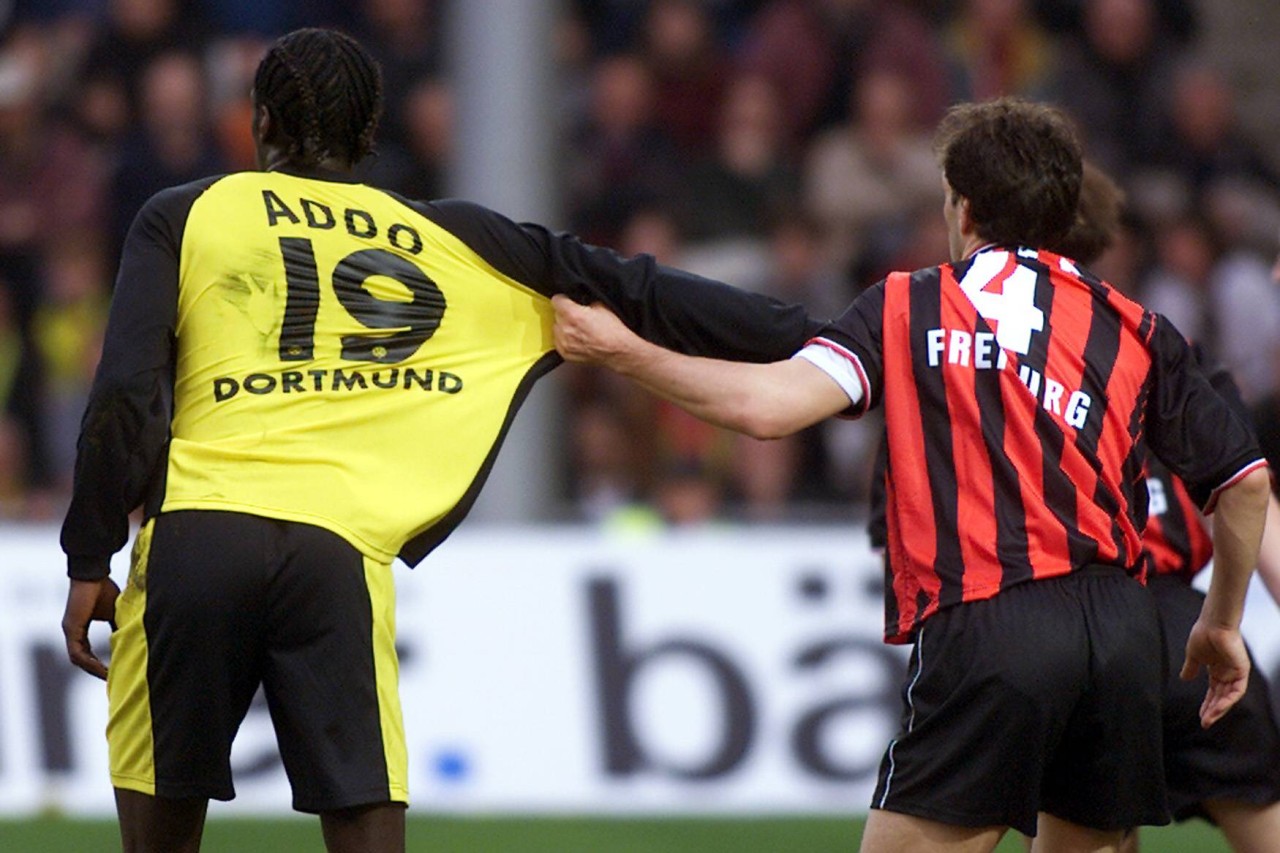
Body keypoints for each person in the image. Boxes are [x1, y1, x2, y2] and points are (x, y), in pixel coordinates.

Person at [58, 28, 818, 853]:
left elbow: (126, 396)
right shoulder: (456, 237)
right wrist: (830, 338)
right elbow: (643, 289)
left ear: (262, 122)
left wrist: (90, 555)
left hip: (196, 540)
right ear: (370, 133)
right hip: (334, 554)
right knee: (368, 829)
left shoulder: (184, 212)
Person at [552, 97, 1272, 852]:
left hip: (996, 619)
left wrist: (620, 351)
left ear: (963, 208)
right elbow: (1246, 484)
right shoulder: (1135, 326)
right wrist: (1221, 623)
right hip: (1124, 634)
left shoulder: (911, 303)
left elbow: (766, 407)